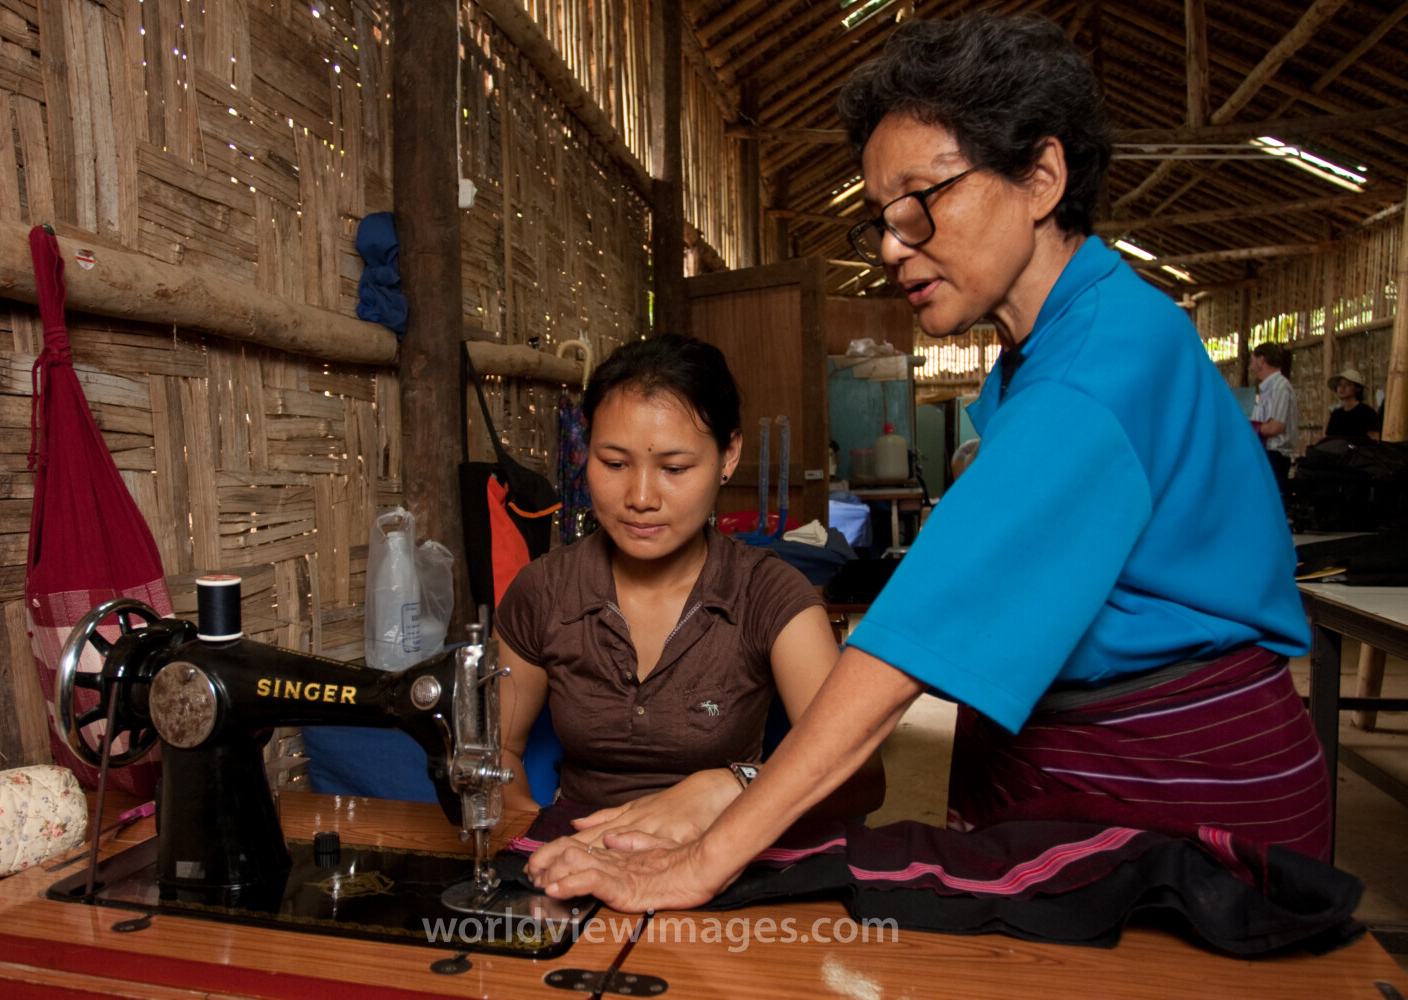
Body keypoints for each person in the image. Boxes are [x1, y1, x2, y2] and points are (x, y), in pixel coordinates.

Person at [526, 12, 1325, 913]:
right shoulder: (1053, 350)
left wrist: (703, 858)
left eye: (919, 202)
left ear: (1042, 178)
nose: (891, 244)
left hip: (1171, 782)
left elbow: (896, 660)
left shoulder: (1096, 370)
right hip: (1064, 758)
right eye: (881, 218)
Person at [495, 334, 884, 854]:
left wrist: (734, 785)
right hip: (578, 858)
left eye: (675, 469)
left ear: (729, 455)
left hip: (724, 860)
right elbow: (496, 753)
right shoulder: (544, 592)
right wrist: (537, 847)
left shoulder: (769, 596)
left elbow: (861, 779)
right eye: (614, 463)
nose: (640, 498)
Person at [1250, 342, 1299, 487]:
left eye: (1252, 361)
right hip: (1266, 453)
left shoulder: (1280, 387)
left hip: (1275, 455)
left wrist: (1250, 427)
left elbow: (1276, 427)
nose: (1251, 367)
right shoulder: (1267, 388)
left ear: (1261, 360)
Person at [1324, 367, 1380, 440]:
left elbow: (1374, 438)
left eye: (1348, 384)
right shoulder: (1336, 414)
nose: (1342, 388)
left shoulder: (1367, 412)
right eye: (1340, 384)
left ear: (1358, 388)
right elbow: (1329, 439)